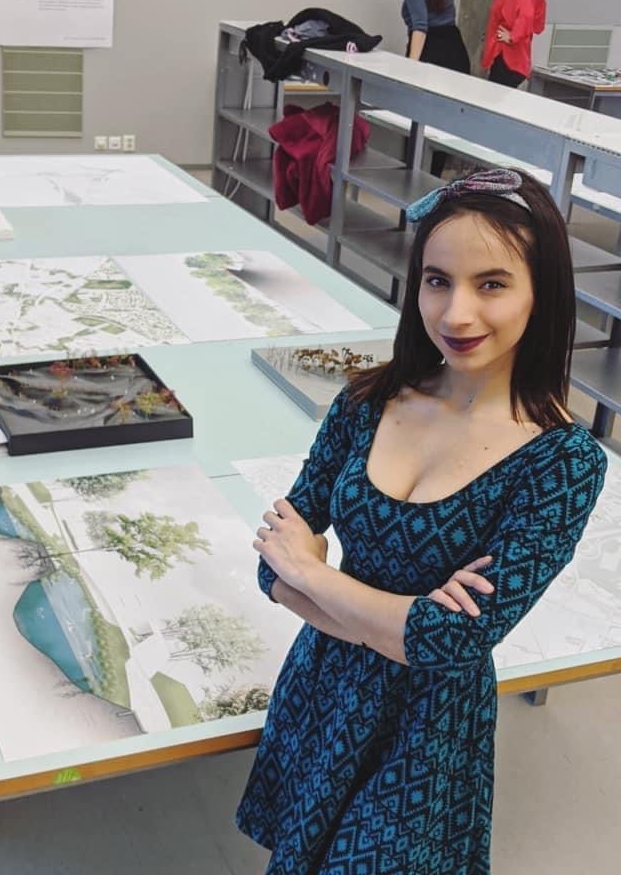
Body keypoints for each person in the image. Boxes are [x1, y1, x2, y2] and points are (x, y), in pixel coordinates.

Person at [236, 168, 607, 874]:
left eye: (491, 284)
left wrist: (313, 574)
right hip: (320, 687)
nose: (456, 314)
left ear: (543, 293)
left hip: (425, 736)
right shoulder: (367, 401)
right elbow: (271, 564)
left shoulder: (561, 463)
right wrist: (397, 626)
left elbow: (451, 640)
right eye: (438, 281)